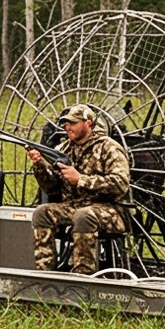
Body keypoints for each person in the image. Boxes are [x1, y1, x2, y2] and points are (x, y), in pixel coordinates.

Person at [29, 104, 131, 275]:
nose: (68, 127)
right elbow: (51, 187)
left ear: (88, 124)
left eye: (73, 123)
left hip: (110, 210)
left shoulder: (108, 147)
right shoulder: (63, 149)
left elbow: (120, 184)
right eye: (65, 123)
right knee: (42, 212)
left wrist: (81, 180)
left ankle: (83, 276)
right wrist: (39, 165)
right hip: (74, 206)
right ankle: (43, 273)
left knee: (83, 216)